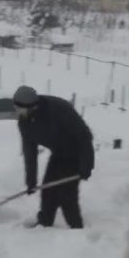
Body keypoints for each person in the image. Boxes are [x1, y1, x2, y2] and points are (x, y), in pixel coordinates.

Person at [14, 86, 94, 229]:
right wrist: (31, 181)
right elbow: (30, 152)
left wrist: (87, 164)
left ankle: (77, 229)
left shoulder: (57, 109)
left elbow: (84, 136)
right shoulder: (24, 123)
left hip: (77, 151)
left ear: (33, 107)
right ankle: (45, 223)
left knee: (67, 195)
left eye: (21, 109)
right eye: (16, 108)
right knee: (48, 190)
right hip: (59, 152)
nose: (18, 112)